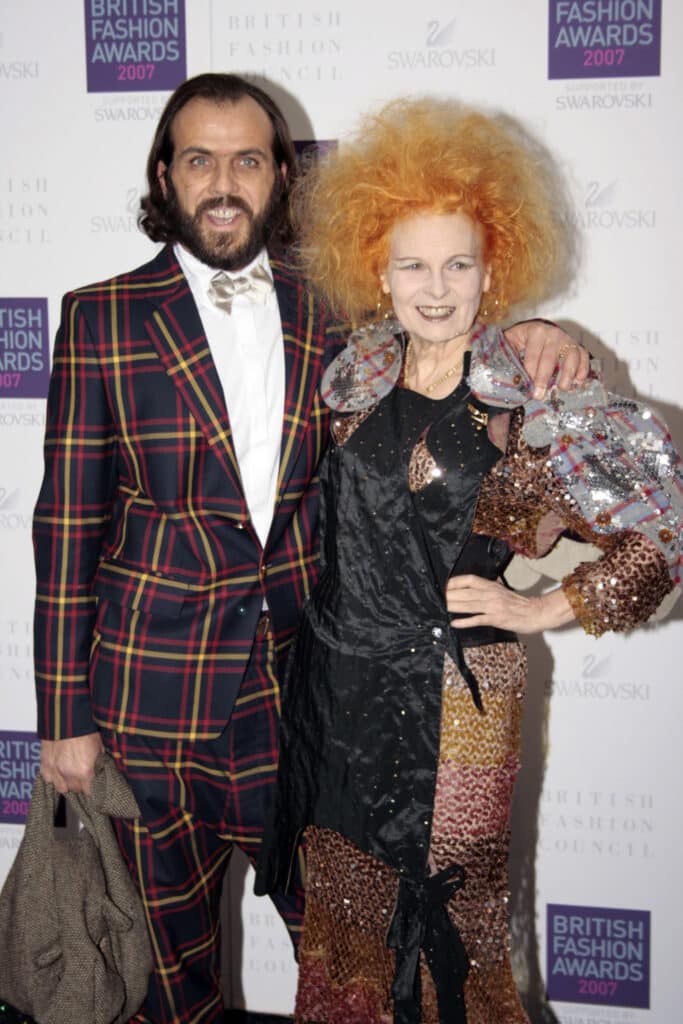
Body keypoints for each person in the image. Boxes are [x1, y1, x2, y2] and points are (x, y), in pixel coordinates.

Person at [33, 74, 588, 1024]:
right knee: (171, 981)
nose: (222, 181)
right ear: (164, 174)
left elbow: (449, 329)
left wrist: (544, 331)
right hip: (147, 705)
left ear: (279, 174)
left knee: (354, 967)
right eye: (198, 159)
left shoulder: (337, 313)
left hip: (315, 708)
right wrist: (61, 719)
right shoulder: (99, 318)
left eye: (246, 160)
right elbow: (66, 529)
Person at [255, 99, 683, 1023]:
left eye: (458, 262)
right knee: (348, 921)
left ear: (495, 267)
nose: (435, 286)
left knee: (454, 926)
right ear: (377, 266)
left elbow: (663, 530)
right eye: (412, 262)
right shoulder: (350, 376)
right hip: (341, 694)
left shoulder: (530, 390)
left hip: (463, 700)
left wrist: (540, 608)